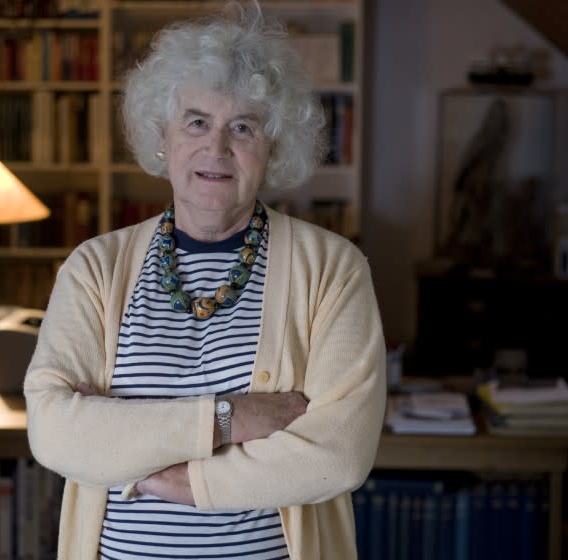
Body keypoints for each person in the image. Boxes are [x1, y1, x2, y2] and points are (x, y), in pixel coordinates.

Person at [23, 2, 387, 558]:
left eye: (243, 127)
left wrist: (169, 478)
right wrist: (229, 418)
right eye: (197, 121)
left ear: (273, 147)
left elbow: (337, 455)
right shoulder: (94, 268)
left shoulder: (333, 270)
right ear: (162, 136)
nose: (216, 148)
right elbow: (53, 431)